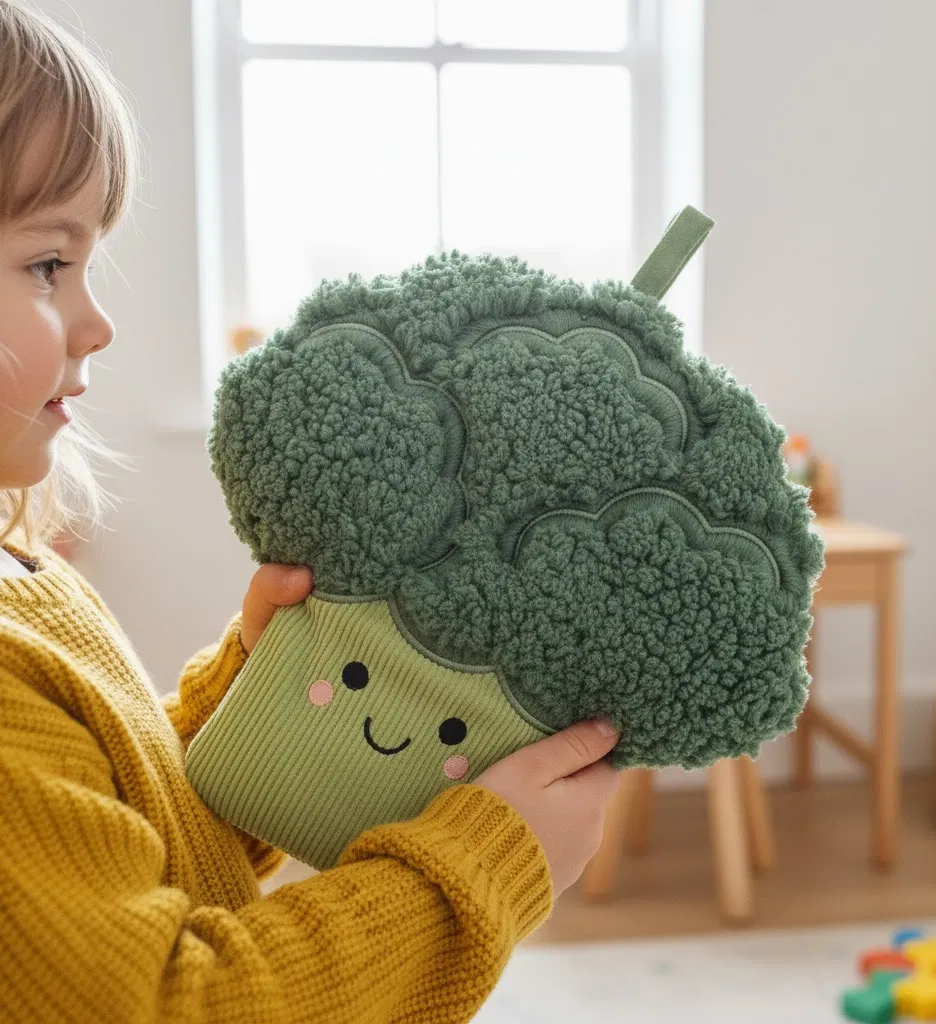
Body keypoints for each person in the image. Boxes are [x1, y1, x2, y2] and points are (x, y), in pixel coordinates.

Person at [0, 3, 621, 1020]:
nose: (96, 319)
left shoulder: (29, 581)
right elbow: (175, 1001)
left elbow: (111, 837)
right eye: (45, 264)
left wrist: (243, 700)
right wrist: (487, 861)